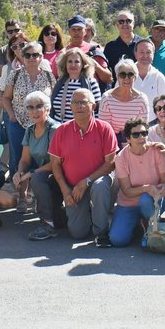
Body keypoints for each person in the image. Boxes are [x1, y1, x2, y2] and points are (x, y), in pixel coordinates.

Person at [47, 88, 118, 245]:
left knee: (99, 187)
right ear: (70, 107)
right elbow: (55, 165)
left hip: (98, 180)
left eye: (83, 102)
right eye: (75, 103)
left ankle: (102, 232)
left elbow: (110, 164)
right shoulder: (61, 131)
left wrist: (86, 181)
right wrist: (65, 191)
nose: (79, 106)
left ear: (93, 106)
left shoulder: (104, 128)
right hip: (73, 188)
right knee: (78, 233)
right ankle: (90, 213)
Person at [110, 117, 165, 247]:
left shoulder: (157, 151)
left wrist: (163, 188)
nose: (141, 137)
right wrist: (146, 188)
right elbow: (126, 191)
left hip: (153, 200)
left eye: (144, 133)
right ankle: (139, 224)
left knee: (145, 199)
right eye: (136, 134)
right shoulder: (121, 158)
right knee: (117, 240)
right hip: (129, 203)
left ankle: (150, 228)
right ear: (128, 139)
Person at [0, 41, 57, 176]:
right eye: (27, 55)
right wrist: (11, 115)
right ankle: (17, 188)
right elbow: (6, 98)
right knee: (17, 158)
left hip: (42, 126)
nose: (31, 58)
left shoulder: (49, 76)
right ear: (23, 56)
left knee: (41, 158)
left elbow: (54, 99)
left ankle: (36, 188)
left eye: (35, 55)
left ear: (41, 57)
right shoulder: (15, 75)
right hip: (19, 123)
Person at [19, 91, 66, 240]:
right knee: (35, 176)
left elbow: (56, 163)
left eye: (39, 106)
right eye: (30, 107)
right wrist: (19, 173)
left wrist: (31, 173)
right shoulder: (30, 130)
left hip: (62, 174)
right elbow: (24, 160)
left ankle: (48, 224)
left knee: (37, 178)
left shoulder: (54, 129)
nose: (34, 111)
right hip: (47, 174)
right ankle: (53, 218)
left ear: (48, 108)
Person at [103, 60, 153, 141]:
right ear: (117, 77)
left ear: (135, 77)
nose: (126, 78)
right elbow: (105, 128)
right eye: (122, 74)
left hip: (135, 140)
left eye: (130, 74)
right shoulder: (107, 98)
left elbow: (143, 126)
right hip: (113, 140)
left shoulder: (142, 99)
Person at [50, 48, 102, 122]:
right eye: (70, 61)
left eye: (77, 62)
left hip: (82, 130)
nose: (73, 65)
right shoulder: (59, 82)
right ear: (65, 64)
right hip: (59, 129)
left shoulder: (91, 83)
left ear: (83, 64)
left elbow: (97, 110)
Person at [132, 38, 165, 102]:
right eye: (141, 52)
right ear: (135, 54)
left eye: (148, 52)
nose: (145, 55)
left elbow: (164, 105)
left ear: (153, 54)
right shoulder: (125, 74)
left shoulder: (158, 77)